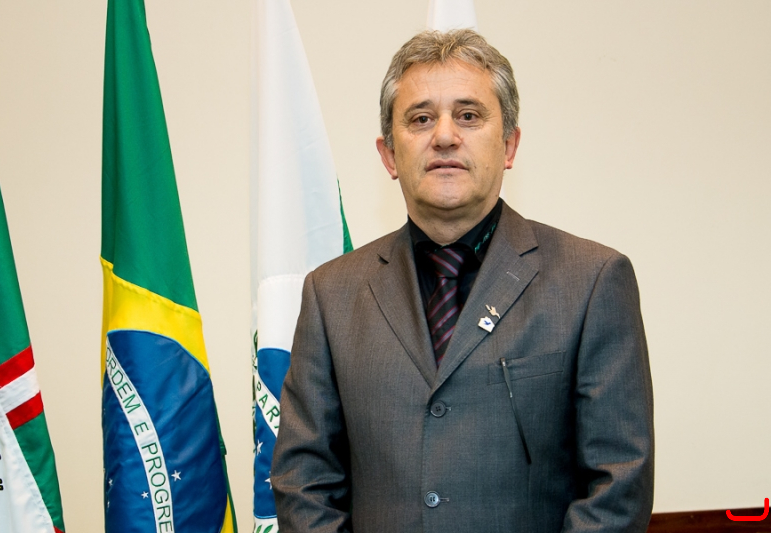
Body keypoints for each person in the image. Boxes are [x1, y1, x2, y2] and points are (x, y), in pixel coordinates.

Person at [271, 29, 654, 533]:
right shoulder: (330, 294)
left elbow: (619, 484)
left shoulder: (592, 280)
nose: (445, 136)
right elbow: (303, 482)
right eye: (421, 118)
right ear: (389, 155)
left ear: (509, 144)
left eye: (469, 115)